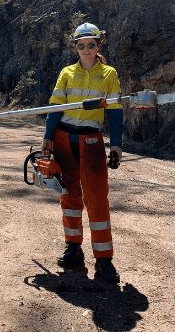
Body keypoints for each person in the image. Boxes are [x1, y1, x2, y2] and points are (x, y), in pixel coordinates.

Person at [41, 22, 123, 283]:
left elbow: (115, 111)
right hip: (63, 139)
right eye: (81, 45)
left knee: (97, 198)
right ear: (74, 46)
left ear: (99, 45)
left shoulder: (109, 74)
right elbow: (55, 107)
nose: (86, 49)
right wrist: (47, 138)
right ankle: (73, 249)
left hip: (91, 141)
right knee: (69, 196)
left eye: (91, 44)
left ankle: (104, 259)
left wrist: (117, 144)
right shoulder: (66, 73)